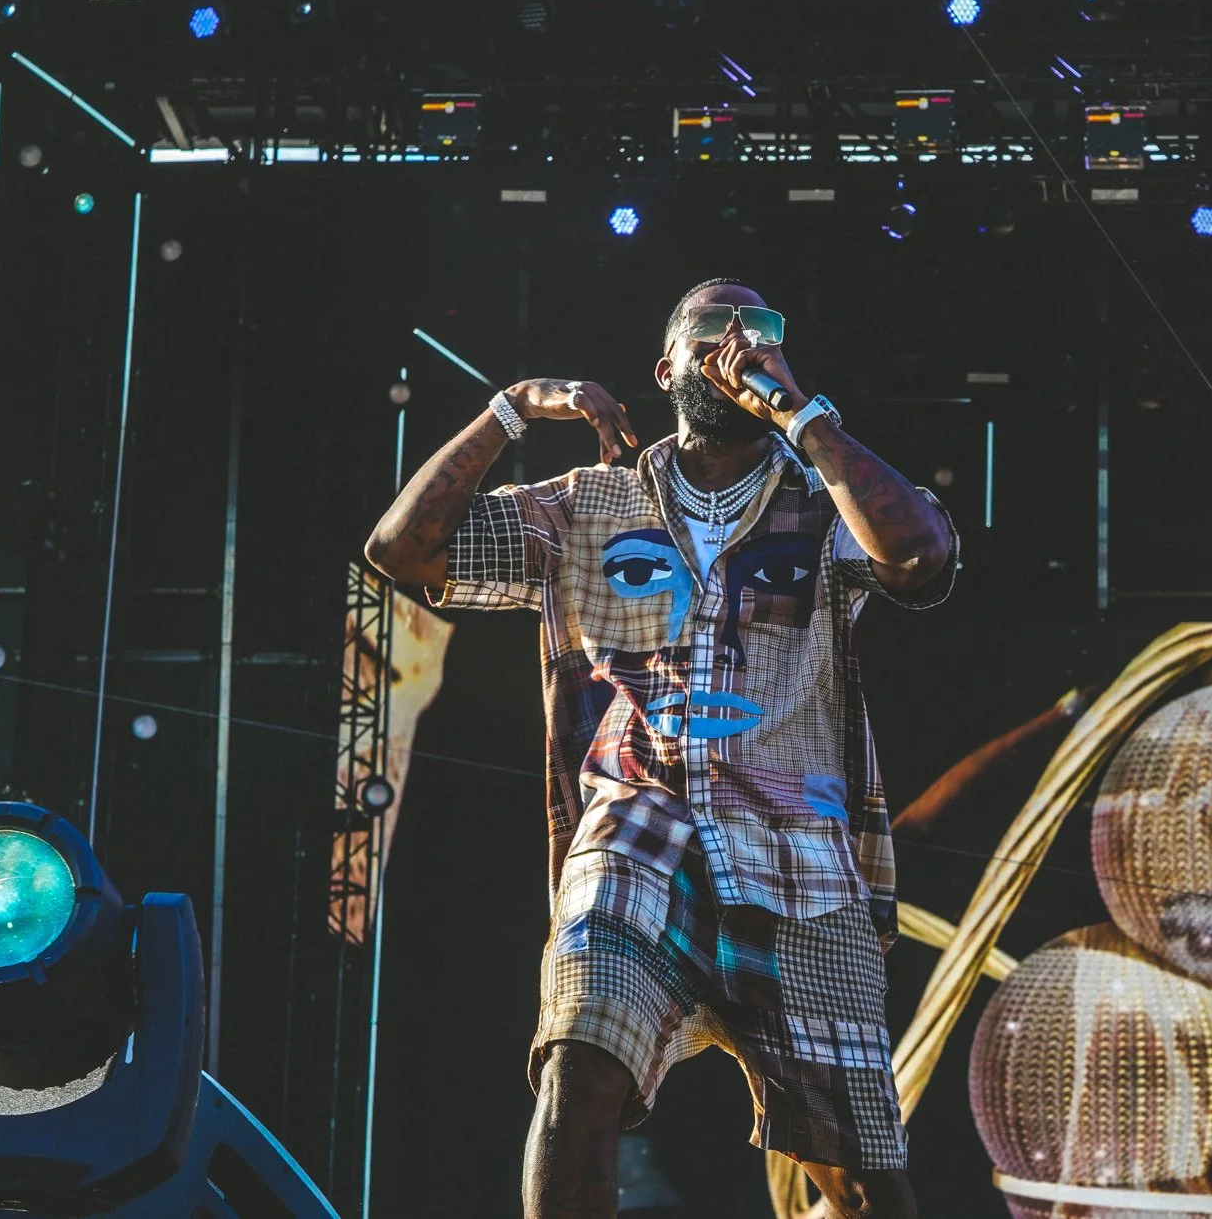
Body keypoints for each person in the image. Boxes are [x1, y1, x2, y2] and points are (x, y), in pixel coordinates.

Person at [365, 279, 957, 1219]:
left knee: (863, 1183)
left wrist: (799, 413)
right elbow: (403, 550)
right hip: (637, 833)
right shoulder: (588, 503)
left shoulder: (822, 498)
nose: (736, 345)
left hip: (797, 859)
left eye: (759, 332)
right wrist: (513, 407)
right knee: (576, 1074)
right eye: (712, 329)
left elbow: (921, 554)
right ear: (666, 368)